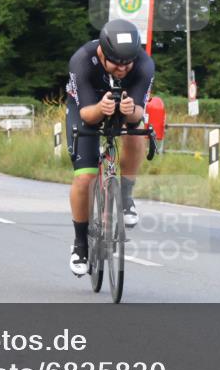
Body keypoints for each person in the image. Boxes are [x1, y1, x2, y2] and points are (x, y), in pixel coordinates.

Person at [65, 18, 154, 276]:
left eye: (128, 63)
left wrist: (130, 112)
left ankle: (125, 196)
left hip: (123, 105)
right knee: (86, 177)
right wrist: (101, 108)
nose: (123, 69)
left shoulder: (145, 64)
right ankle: (80, 243)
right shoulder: (82, 59)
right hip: (87, 106)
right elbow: (87, 115)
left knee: (136, 133)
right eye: (116, 63)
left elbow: (138, 113)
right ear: (102, 52)